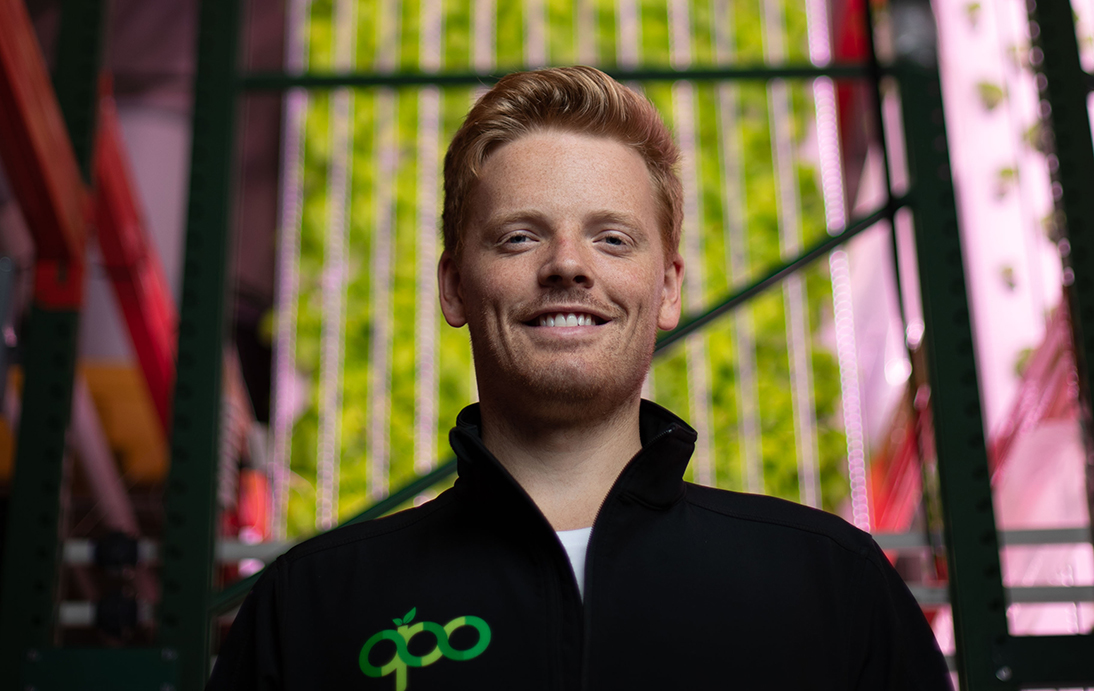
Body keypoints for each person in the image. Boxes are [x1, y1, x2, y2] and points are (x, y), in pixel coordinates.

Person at [207, 66, 952, 690]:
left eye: (612, 237)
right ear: (454, 287)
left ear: (666, 288)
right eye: (520, 235)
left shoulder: (831, 586)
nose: (567, 264)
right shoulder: (310, 610)